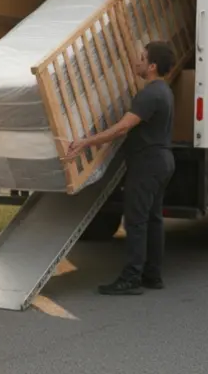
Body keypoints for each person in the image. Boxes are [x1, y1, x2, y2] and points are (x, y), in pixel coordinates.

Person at [65, 40, 177, 295]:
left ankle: (131, 279)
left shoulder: (149, 95)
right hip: (162, 160)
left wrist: (85, 142)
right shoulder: (164, 91)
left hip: (147, 163)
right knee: (153, 219)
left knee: (136, 221)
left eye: (141, 57)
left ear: (151, 66)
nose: (136, 61)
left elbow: (122, 128)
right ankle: (152, 275)